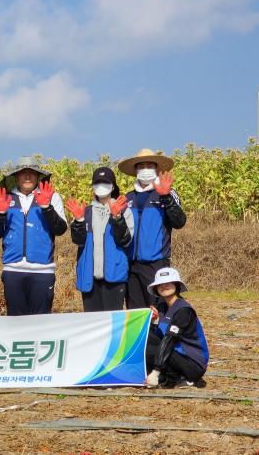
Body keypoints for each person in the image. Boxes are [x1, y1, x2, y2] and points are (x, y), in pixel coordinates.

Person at [0, 157, 67, 316]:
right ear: (16, 176)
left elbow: (60, 229)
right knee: (16, 323)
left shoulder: (52, 197)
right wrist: (0, 213)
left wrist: (46, 207)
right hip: (13, 270)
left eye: (32, 173)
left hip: (43, 271)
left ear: (38, 176)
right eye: (23, 173)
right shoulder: (5, 198)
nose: (28, 176)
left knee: (41, 322)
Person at [118, 149, 186, 309]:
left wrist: (166, 197)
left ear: (156, 169)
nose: (145, 169)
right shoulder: (128, 198)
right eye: (141, 166)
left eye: (149, 165)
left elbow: (179, 222)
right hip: (131, 265)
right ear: (135, 170)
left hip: (156, 262)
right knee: (136, 312)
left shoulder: (167, 193)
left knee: (158, 308)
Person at [67, 167, 134, 312]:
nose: (101, 186)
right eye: (97, 182)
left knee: (112, 321)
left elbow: (126, 241)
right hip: (89, 277)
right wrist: (79, 221)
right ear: (92, 186)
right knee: (93, 321)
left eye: (105, 182)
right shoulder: (85, 212)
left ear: (113, 186)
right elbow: (78, 241)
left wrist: (118, 218)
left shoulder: (123, 210)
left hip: (114, 276)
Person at [145, 267, 208, 388]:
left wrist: (156, 371)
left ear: (176, 285)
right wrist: (154, 322)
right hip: (175, 356)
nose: (164, 286)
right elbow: (157, 337)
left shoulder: (184, 310)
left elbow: (169, 339)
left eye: (168, 283)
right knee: (144, 341)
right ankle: (169, 376)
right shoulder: (161, 308)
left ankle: (180, 377)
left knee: (150, 350)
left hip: (192, 364)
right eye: (160, 284)